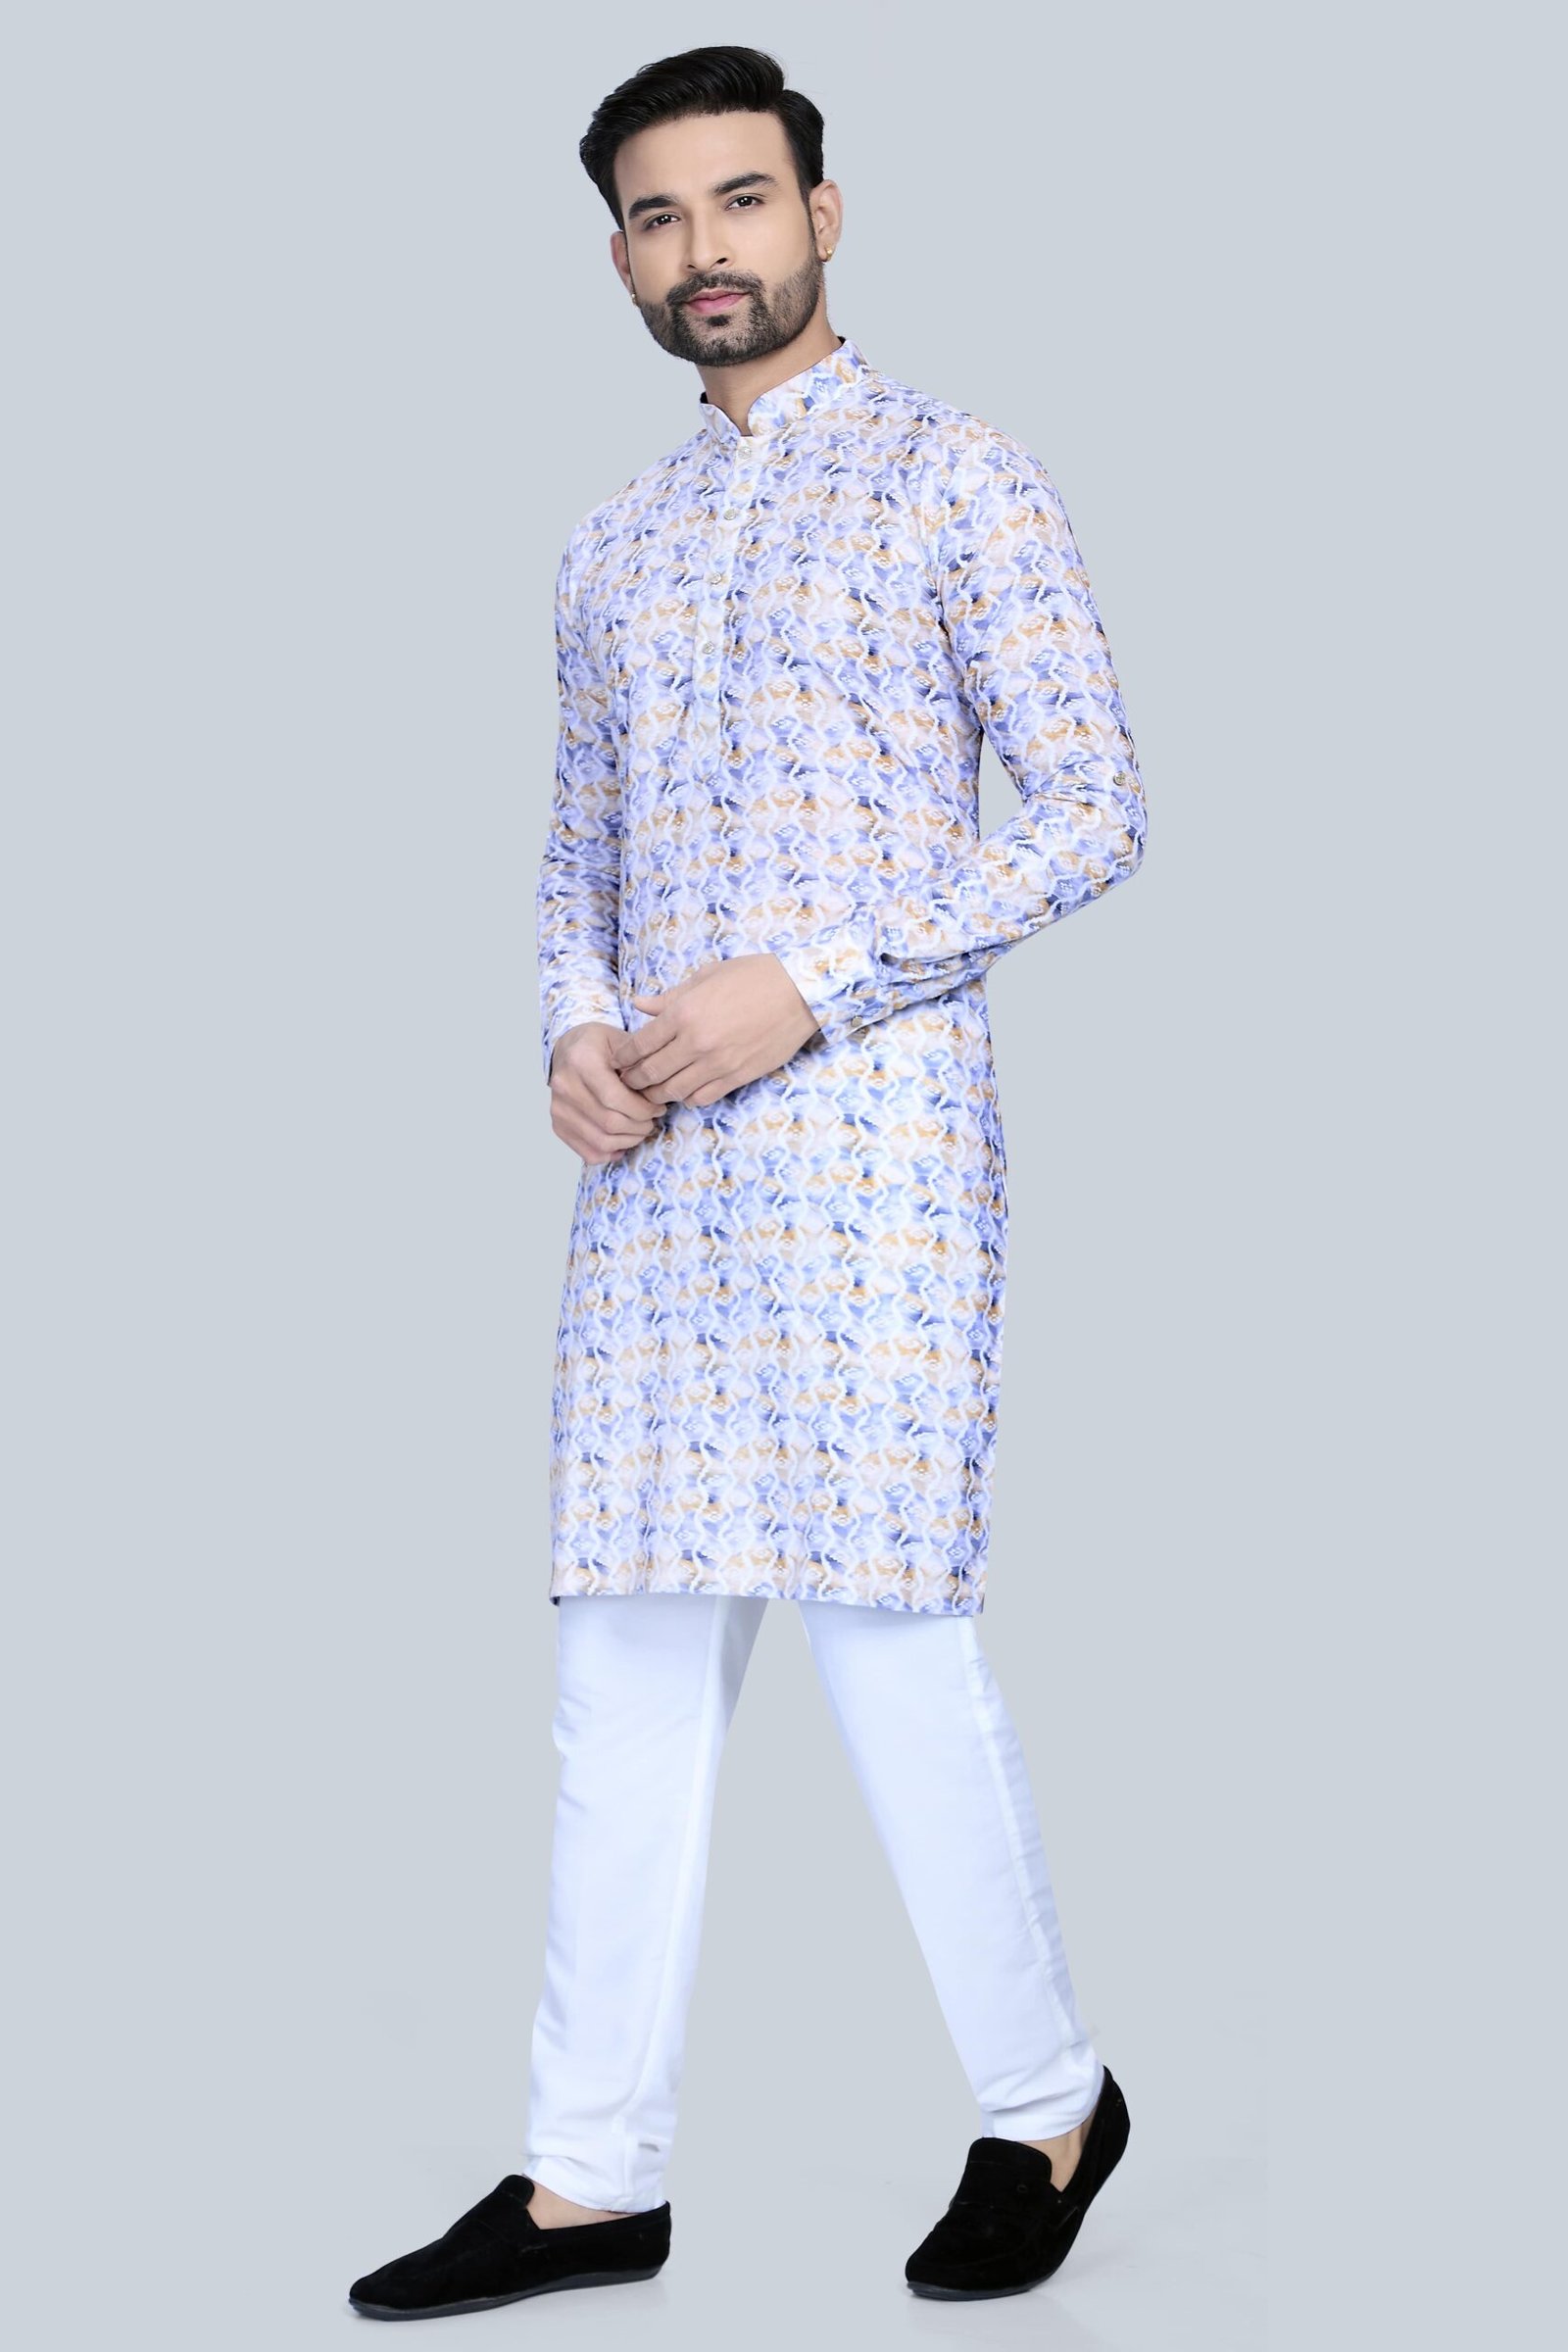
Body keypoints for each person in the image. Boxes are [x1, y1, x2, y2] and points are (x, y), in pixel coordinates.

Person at [349, 42, 1145, 2324]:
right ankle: (587, 2179)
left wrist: (806, 984)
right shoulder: (608, 542)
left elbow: (1089, 805)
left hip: (871, 1151)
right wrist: (568, 1038)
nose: (702, 249)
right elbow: (572, 859)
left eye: (739, 199)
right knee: (620, 1666)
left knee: (888, 1640)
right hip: (654, 1182)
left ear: (822, 212)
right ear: (615, 254)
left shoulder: (955, 476)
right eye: (654, 215)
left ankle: (1047, 2103)